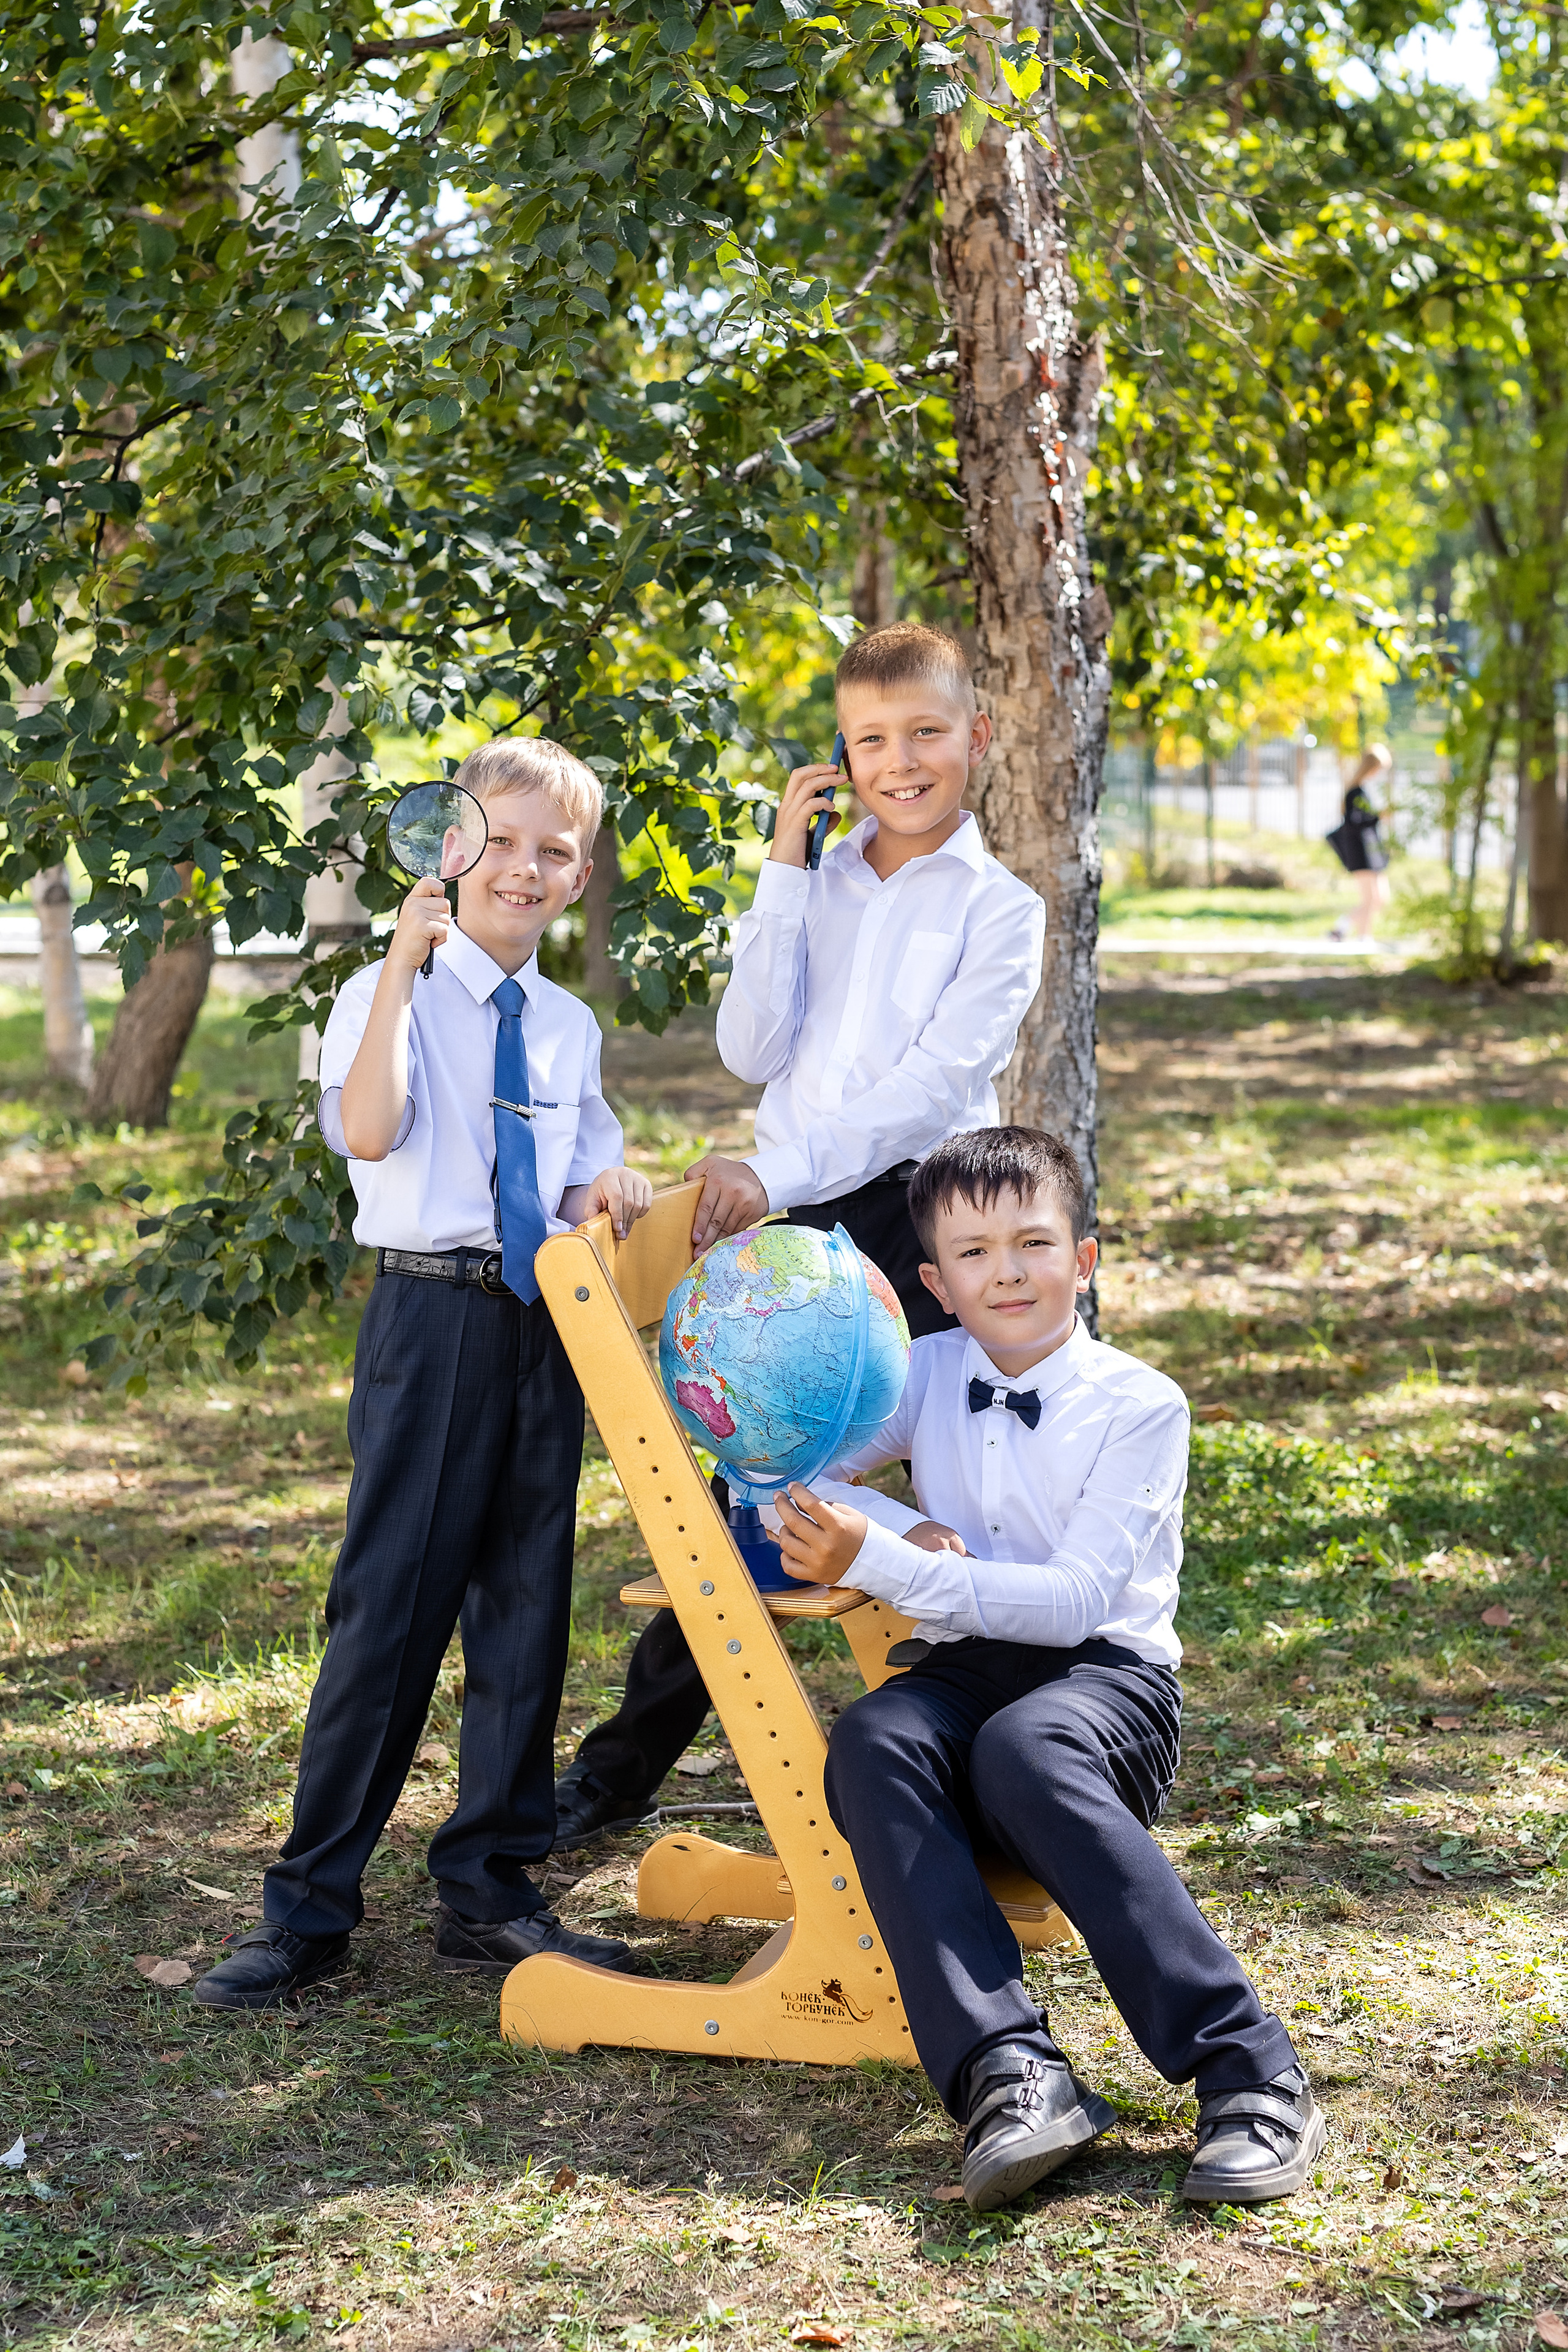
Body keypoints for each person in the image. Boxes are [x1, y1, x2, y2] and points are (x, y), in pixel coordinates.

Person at [552, 622, 1046, 1848]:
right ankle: (614, 1778)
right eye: (870, 739)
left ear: (973, 736)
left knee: (969, 1489)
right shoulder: (814, 884)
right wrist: (783, 863)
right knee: (753, 1496)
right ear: (842, 751)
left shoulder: (1002, 909)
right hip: (798, 1217)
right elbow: (748, 1050)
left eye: (924, 732)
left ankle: (1000, 1772)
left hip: (931, 1215)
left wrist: (769, 1172)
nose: (900, 761)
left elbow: (932, 1087)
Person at [771, 1126, 1325, 2212]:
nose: (1008, 1272)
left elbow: (1076, 1601)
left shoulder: (1140, 1405)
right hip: (969, 1666)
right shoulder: (922, 1372)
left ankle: (1250, 2069)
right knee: (878, 1739)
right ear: (933, 1281)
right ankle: (1010, 2072)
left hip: (1108, 1689)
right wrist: (902, 1518)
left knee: (1026, 1749)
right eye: (973, 1255)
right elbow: (790, 1474)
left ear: (1087, 1256)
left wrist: (879, 1559)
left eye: (1034, 1242)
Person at [195, 739, 653, 2010]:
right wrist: (401, 966)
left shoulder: (565, 1025)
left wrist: (608, 1191)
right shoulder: (384, 989)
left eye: (551, 852)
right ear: (450, 849)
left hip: (540, 1326)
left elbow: (576, 1180)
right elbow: (369, 1129)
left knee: (524, 1608)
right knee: (390, 1617)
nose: (523, 867)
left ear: (576, 876)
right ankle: (309, 1911)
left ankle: (491, 1888)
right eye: (498, 841)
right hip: (430, 1320)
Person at [1328, 744, 1392, 942]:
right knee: (1370, 898)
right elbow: (1355, 824)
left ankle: (1364, 936)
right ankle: (1342, 927)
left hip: (1372, 852)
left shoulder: (1362, 790)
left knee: (1379, 898)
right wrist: (1378, 817)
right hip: (1361, 852)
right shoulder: (1354, 793)